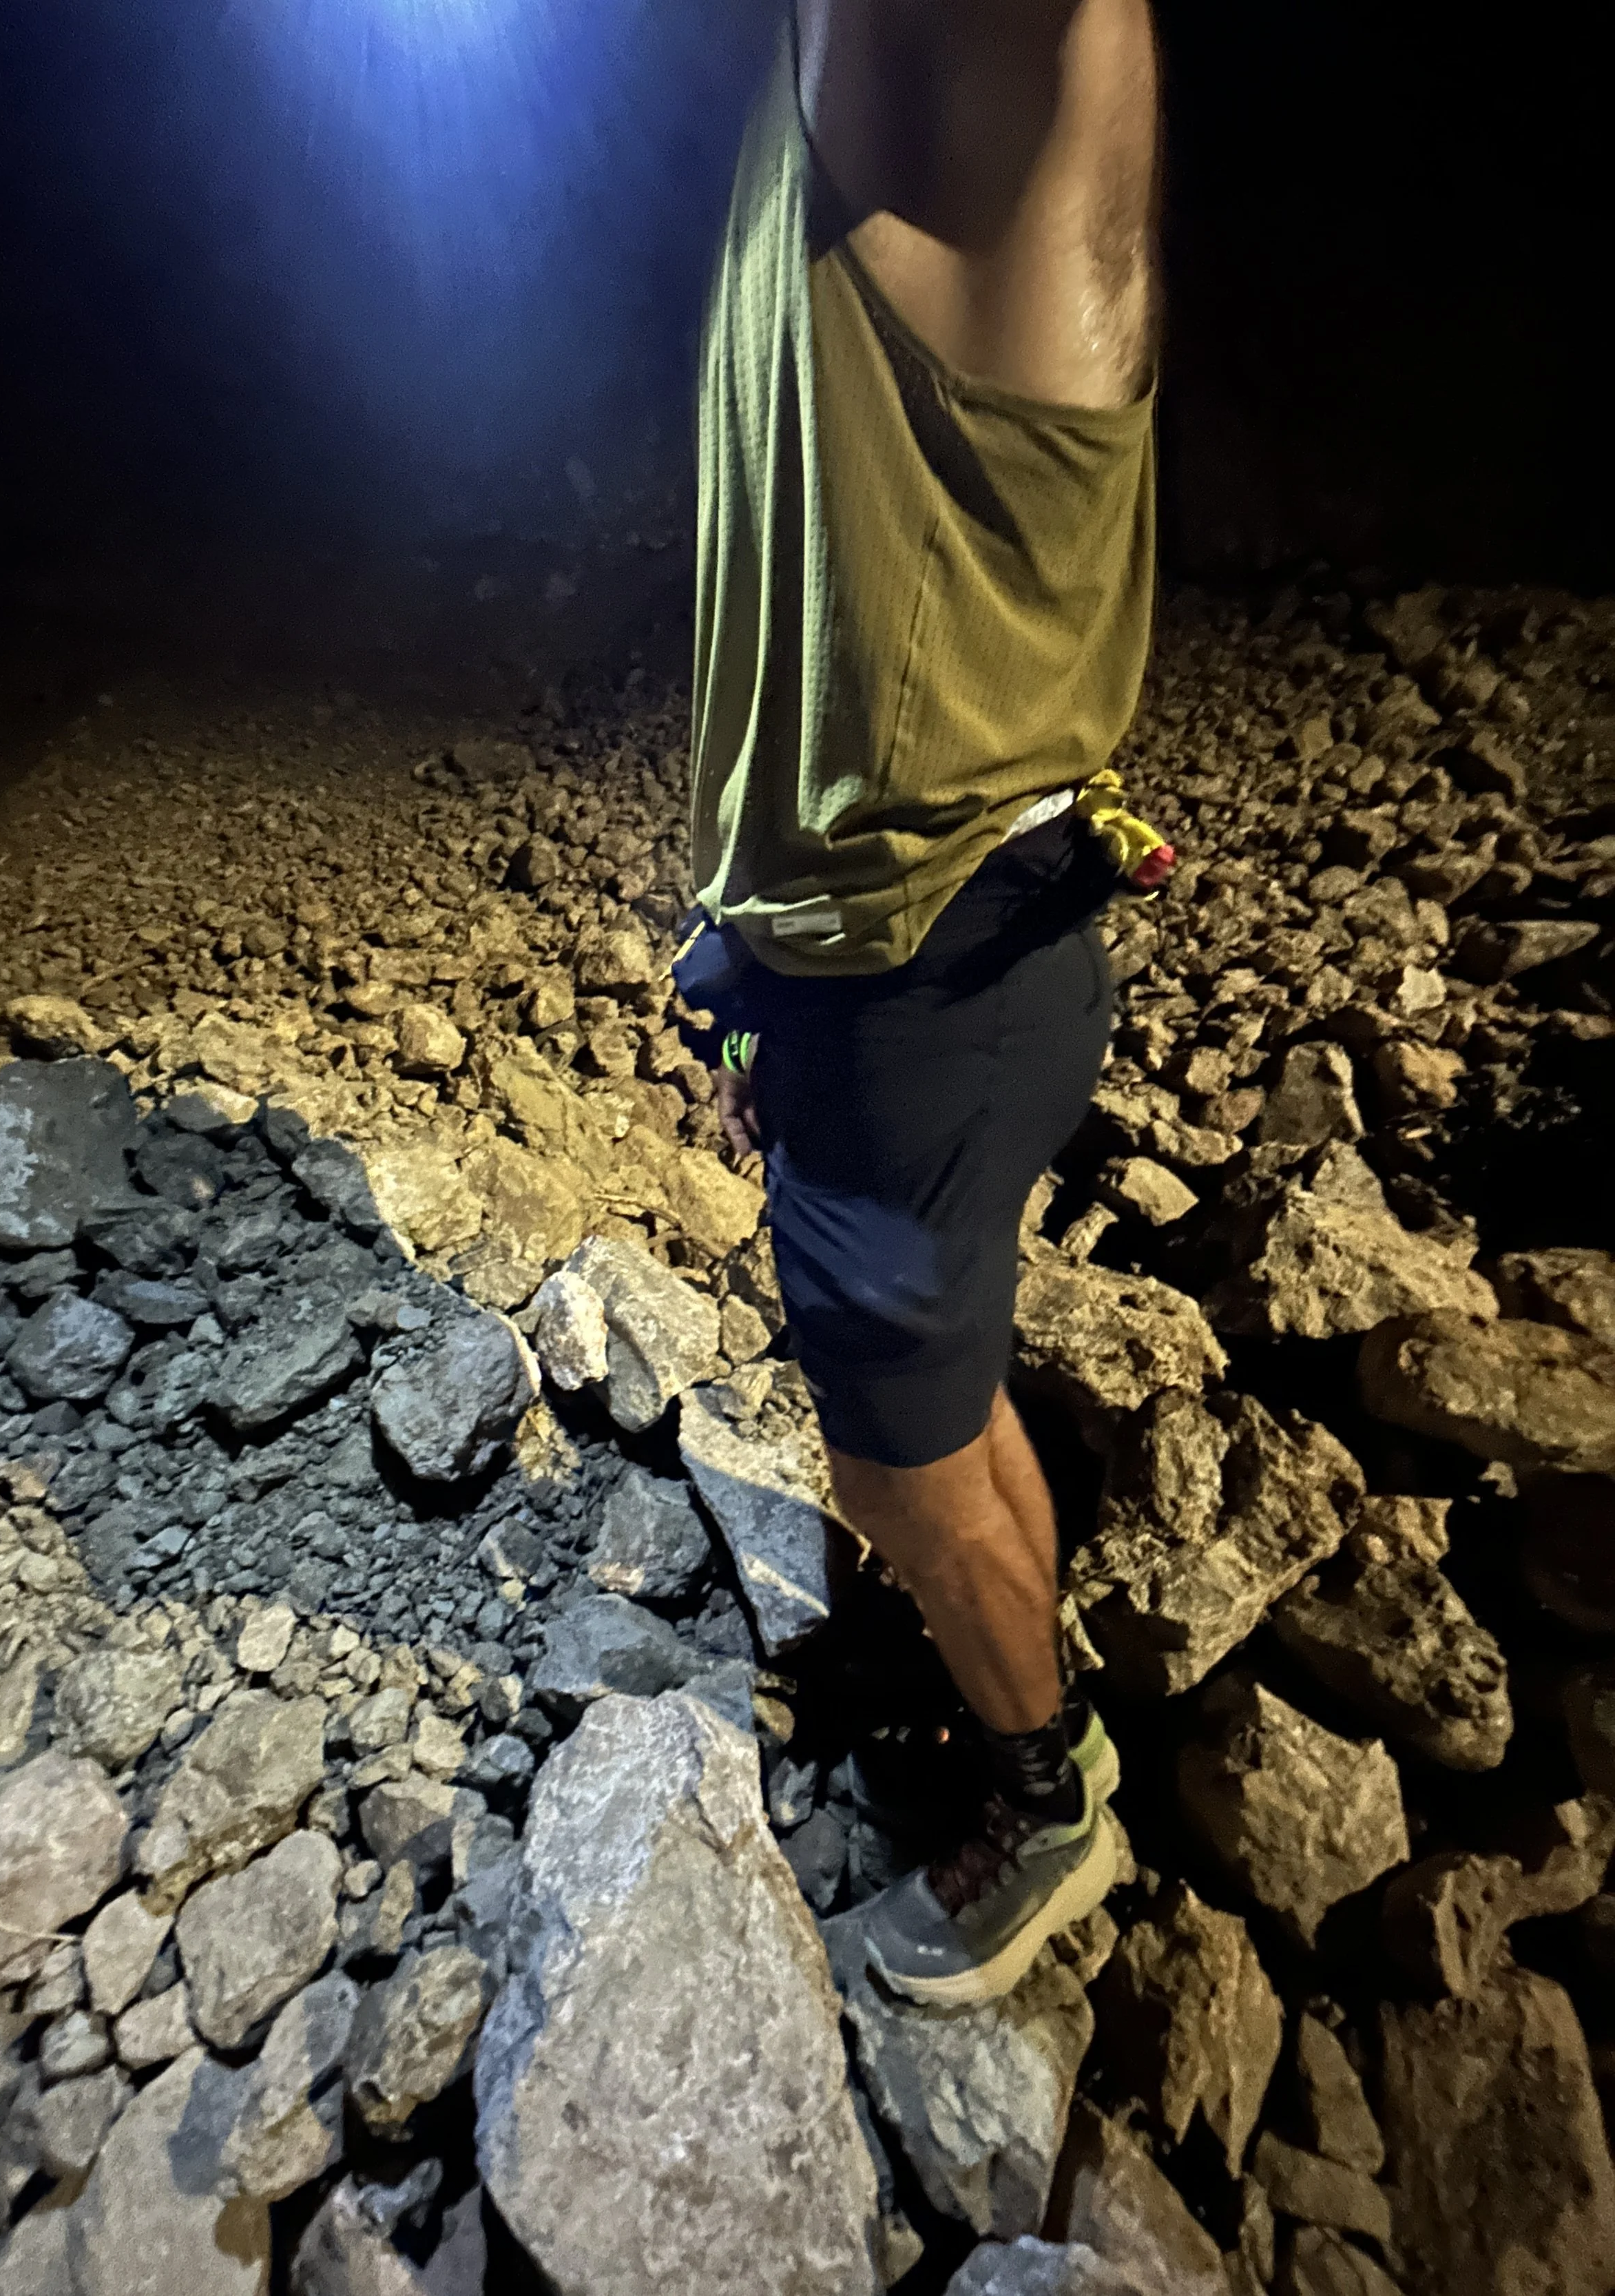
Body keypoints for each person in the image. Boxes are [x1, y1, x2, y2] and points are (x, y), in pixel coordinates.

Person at [687, 0, 1161, 2006]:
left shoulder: (959, 101)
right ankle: (1013, 1668)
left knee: (892, 1456)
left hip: (923, 990)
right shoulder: (880, 140)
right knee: (939, 1412)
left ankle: (1045, 1798)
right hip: (936, 956)